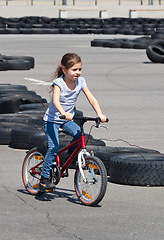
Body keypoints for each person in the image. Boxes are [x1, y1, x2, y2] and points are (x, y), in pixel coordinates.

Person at [39, 53, 107, 190]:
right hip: (53, 119)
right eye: (74, 70)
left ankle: (70, 155)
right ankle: (44, 177)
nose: (78, 73)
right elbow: (55, 101)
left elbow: (92, 99)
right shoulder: (59, 83)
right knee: (53, 148)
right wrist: (63, 113)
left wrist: (99, 114)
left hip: (66, 118)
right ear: (64, 70)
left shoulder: (81, 82)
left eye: (80, 69)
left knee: (78, 133)